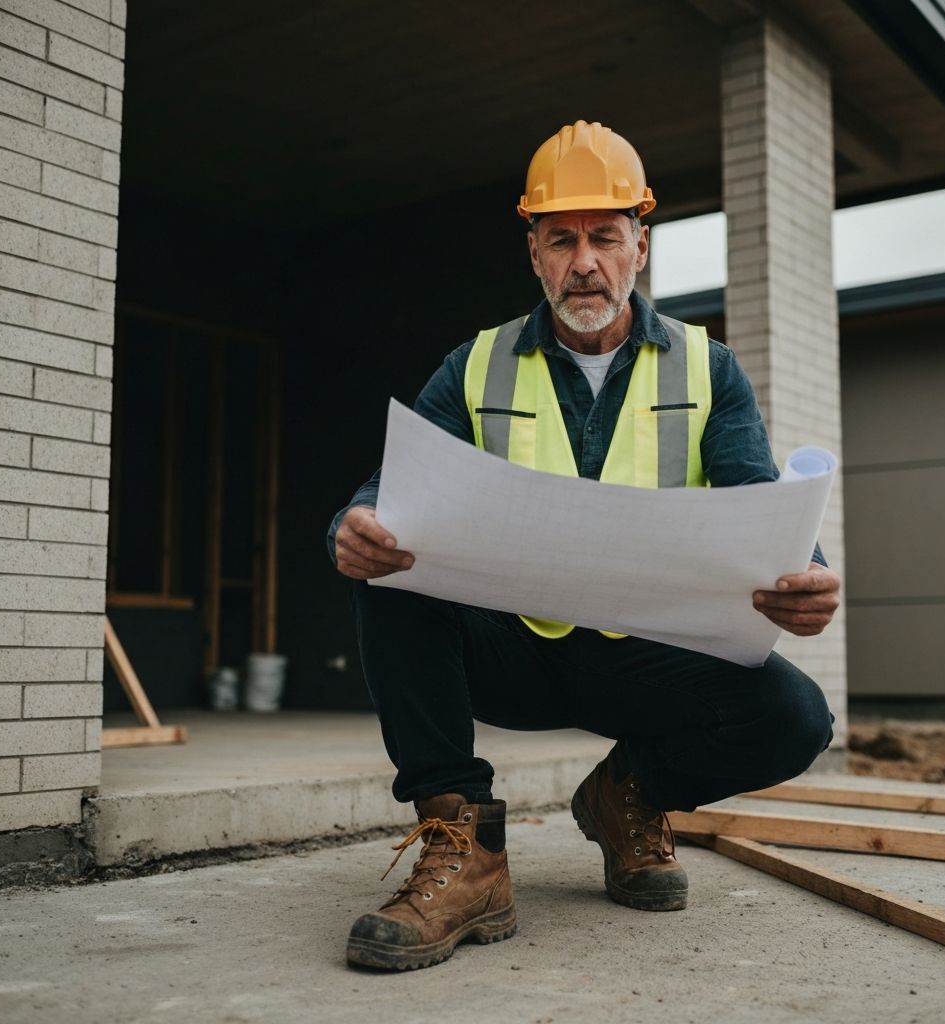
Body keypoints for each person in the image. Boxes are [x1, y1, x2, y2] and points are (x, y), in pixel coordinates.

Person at [328, 120, 840, 971]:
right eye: (561, 239)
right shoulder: (476, 366)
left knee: (795, 717)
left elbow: (758, 496)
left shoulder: (708, 369)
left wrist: (807, 573)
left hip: (648, 660)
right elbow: (393, 488)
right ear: (534, 254)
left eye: (605, 237)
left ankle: (626, 796)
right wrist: (358, 523)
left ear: (641, 245)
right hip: (512, 648)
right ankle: (465, 848)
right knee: (389, 576)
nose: (585, 261)